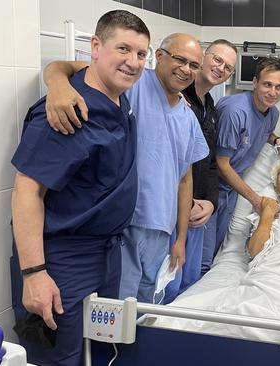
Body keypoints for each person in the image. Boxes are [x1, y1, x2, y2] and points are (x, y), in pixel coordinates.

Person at [9, 10, 150, 365]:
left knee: (103, 350)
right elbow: (27, 190)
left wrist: (56, 76)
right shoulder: (65, 113)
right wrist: (34, 274)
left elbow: (65, 65)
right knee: (59, 357)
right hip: (63, 258)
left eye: (141, 54)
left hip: (107, 255)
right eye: (124, 49)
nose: (133, 62)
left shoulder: (119, 96)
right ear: (96, 47)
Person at [42, 33, 210, 303]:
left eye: (193, 65)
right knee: (118, 311)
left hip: (161, 230)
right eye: (180, 59)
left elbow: (184, 179)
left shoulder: (188, 118)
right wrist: (58, 85)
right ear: (160, 56)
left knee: (148, 308)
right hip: (123, 226)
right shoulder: (134, 82)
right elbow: (58, 67)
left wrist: (180, 238)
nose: (186, 69)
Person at [156, 159, 280, 345]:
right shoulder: (268, 211)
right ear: (276, 186)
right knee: (247, 304)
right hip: (275, 263)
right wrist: (267, 213)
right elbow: (255, 250)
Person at [163, 39, 238, 303]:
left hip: (197, 209)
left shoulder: (210, 107)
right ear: (204, 57)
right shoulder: (175, 98)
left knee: (190, 281)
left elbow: (207, 163)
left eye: (228, 67)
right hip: (171, 208)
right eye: (217, 60)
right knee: (166, 284)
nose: (221, 68)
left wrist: (211, 203)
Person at [215, 57, 280, 251]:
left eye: (279, 87)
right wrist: (256, 200)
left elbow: (263, 131)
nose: (273, 92)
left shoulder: (272, 113)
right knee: (202, 254)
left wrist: (276, 140)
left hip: (232, 188)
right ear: (255, 83)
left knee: (217, 245)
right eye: (267, 85)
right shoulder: (234, 111)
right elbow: (221, 164)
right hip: (212, 186)